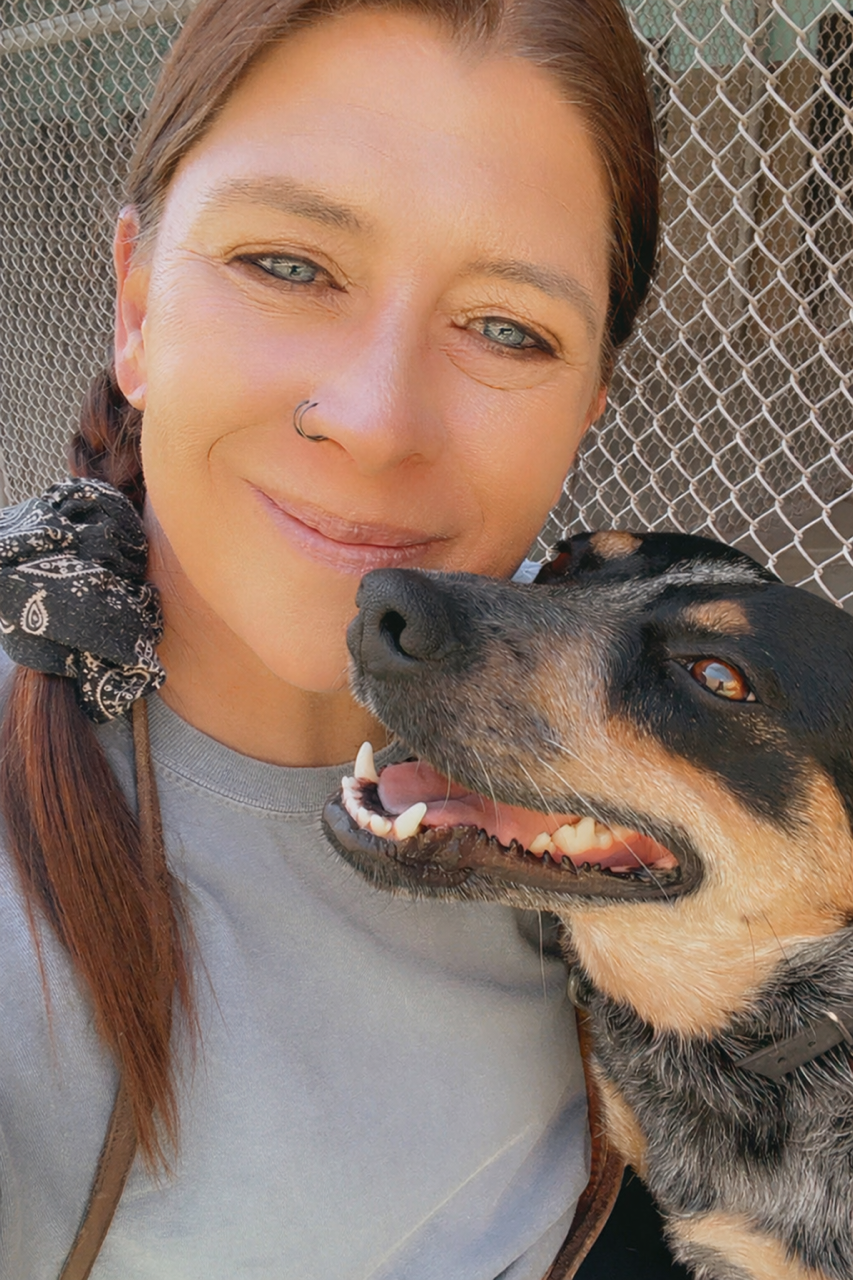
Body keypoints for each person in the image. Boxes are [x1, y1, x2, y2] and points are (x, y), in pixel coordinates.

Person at [0, 0, 662, 1275]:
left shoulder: (645, 762)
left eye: (507, 328)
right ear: (136, 305)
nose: (373, 417)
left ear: (586, 404)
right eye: (287, 265)